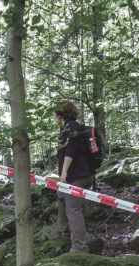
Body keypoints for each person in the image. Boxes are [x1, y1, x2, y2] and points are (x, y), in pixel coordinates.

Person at [55, 101, 94, 254]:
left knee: (73, 210)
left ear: (61, 114)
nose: (55, 118)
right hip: (82, 174)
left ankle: (79, 247)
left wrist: (64, 173)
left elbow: (70, 152)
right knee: (61, 196)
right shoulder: (72, 128)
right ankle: (63, 231)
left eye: (56, 114)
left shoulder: (71, 128)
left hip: (77, 176)